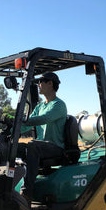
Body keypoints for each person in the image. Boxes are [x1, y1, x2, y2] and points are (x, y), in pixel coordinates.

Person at [17, 72, 67, 202]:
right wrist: (12, 129)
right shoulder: (40, 106)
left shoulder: (58, 105)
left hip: (55, 147)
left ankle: (26, 193)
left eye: (40, 82)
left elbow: (44, 119)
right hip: (41, 146)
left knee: (33, 146)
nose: (38, 85)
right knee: (13, 147)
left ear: (50, 83)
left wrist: (21, 120)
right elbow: (27, 124)